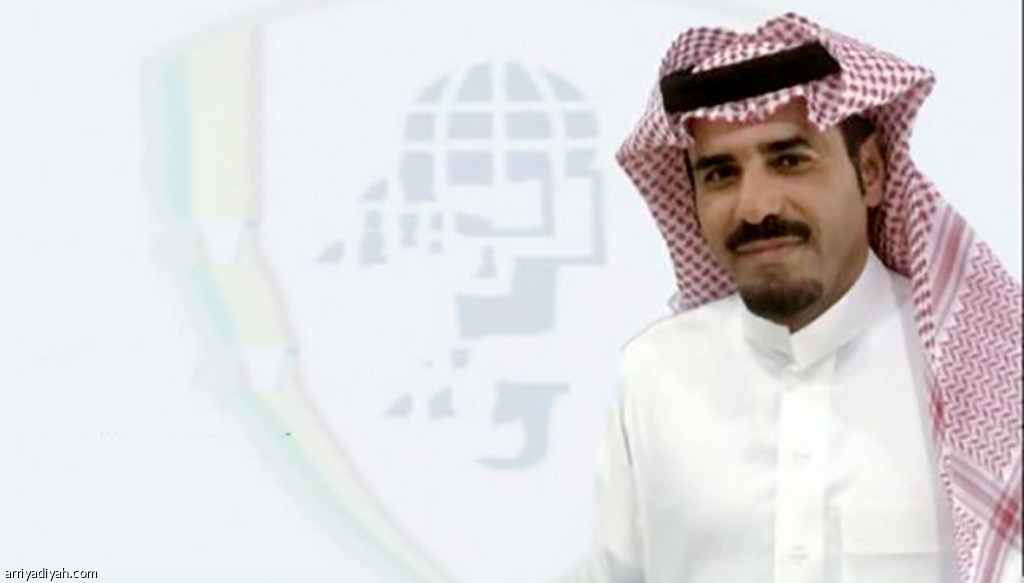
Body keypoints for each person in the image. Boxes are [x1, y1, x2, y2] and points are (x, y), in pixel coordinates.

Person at [580, 12, 1022, 583]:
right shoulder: (655, 373)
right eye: (719, 173)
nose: (755, 206)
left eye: (789, 160)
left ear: (871, 173)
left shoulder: (988, 369)